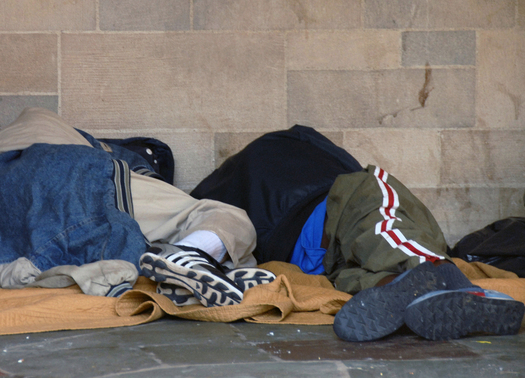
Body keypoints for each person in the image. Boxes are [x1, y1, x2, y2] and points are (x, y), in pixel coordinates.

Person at [191, 125, 525, 341]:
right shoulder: (284, 146)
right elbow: (343, 168)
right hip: (329, 211)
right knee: (384, 220)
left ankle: (401, 290)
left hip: (310, 261)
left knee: (359, 277)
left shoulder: (208, 197)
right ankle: (447, 279)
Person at [0, 108, 275, 306]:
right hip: (71, 176)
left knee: (84, 256)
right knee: (229, 218)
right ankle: (189, 255)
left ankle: (177, 264)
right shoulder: (92, 154)